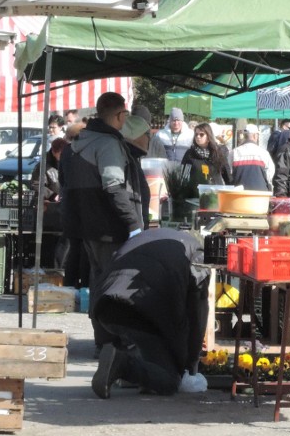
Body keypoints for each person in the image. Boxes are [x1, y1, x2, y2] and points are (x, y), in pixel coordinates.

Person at [59, 92, 145, 354]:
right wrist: (133, 224)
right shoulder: (106, 144)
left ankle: (104, 341)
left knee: (100, 282)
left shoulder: (78, 143)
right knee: (117, 286)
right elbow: (114, 187)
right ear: (121, 115)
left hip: (88, 227)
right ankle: (114, 345)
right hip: (110, 228)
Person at [90, 228, 210, 399]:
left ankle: (128, 363)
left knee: (150, 347)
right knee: (169, 381)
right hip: (139, 312)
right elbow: (197, 313)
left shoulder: (150, 236)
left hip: (105, 306)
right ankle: (123, 365)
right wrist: (191, 363)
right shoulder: (197, 255)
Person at [230, 125, 274, 191]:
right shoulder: (263, 153)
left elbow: (229, 171)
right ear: (255, 136)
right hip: (260, 194)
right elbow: (270, 173)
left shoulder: (234, 152)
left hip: (239, 194)